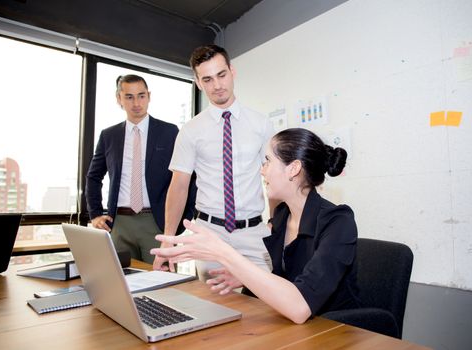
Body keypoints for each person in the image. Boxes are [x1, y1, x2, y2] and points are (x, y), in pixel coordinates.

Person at [151, 128, 361, 324]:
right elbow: (288, 279)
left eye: (268, 161)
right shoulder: (282, 215)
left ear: (293, 169)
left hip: (335, 329)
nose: (262, 171)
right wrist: (245, 278)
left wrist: (224, 253)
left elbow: (300, 307)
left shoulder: (338, 221)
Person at [152, 44, 276, 282]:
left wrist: (275, 224)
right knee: (215, 307)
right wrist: (168, 240)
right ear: (198, 83)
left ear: (232, 71)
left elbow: (273, 179)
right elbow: (178, 187)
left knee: (268, 307)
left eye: (221, 75)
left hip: (254, 233)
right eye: (207, 79)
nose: (217, 85)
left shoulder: (261, 124)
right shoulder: (190, 131)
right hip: (210, 233)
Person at [85, 74, 196, 264]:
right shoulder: (108, 136)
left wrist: (178, 224)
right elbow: (93, 177)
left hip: (156, 222)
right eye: (129, 96)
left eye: (141, 95)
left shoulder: (169, 132)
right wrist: (95, 214)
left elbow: (188, 179)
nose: (136, 102)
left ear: (149, 96)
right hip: (118, 223)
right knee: (120, 284)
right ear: (119, 99)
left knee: (163, 285)